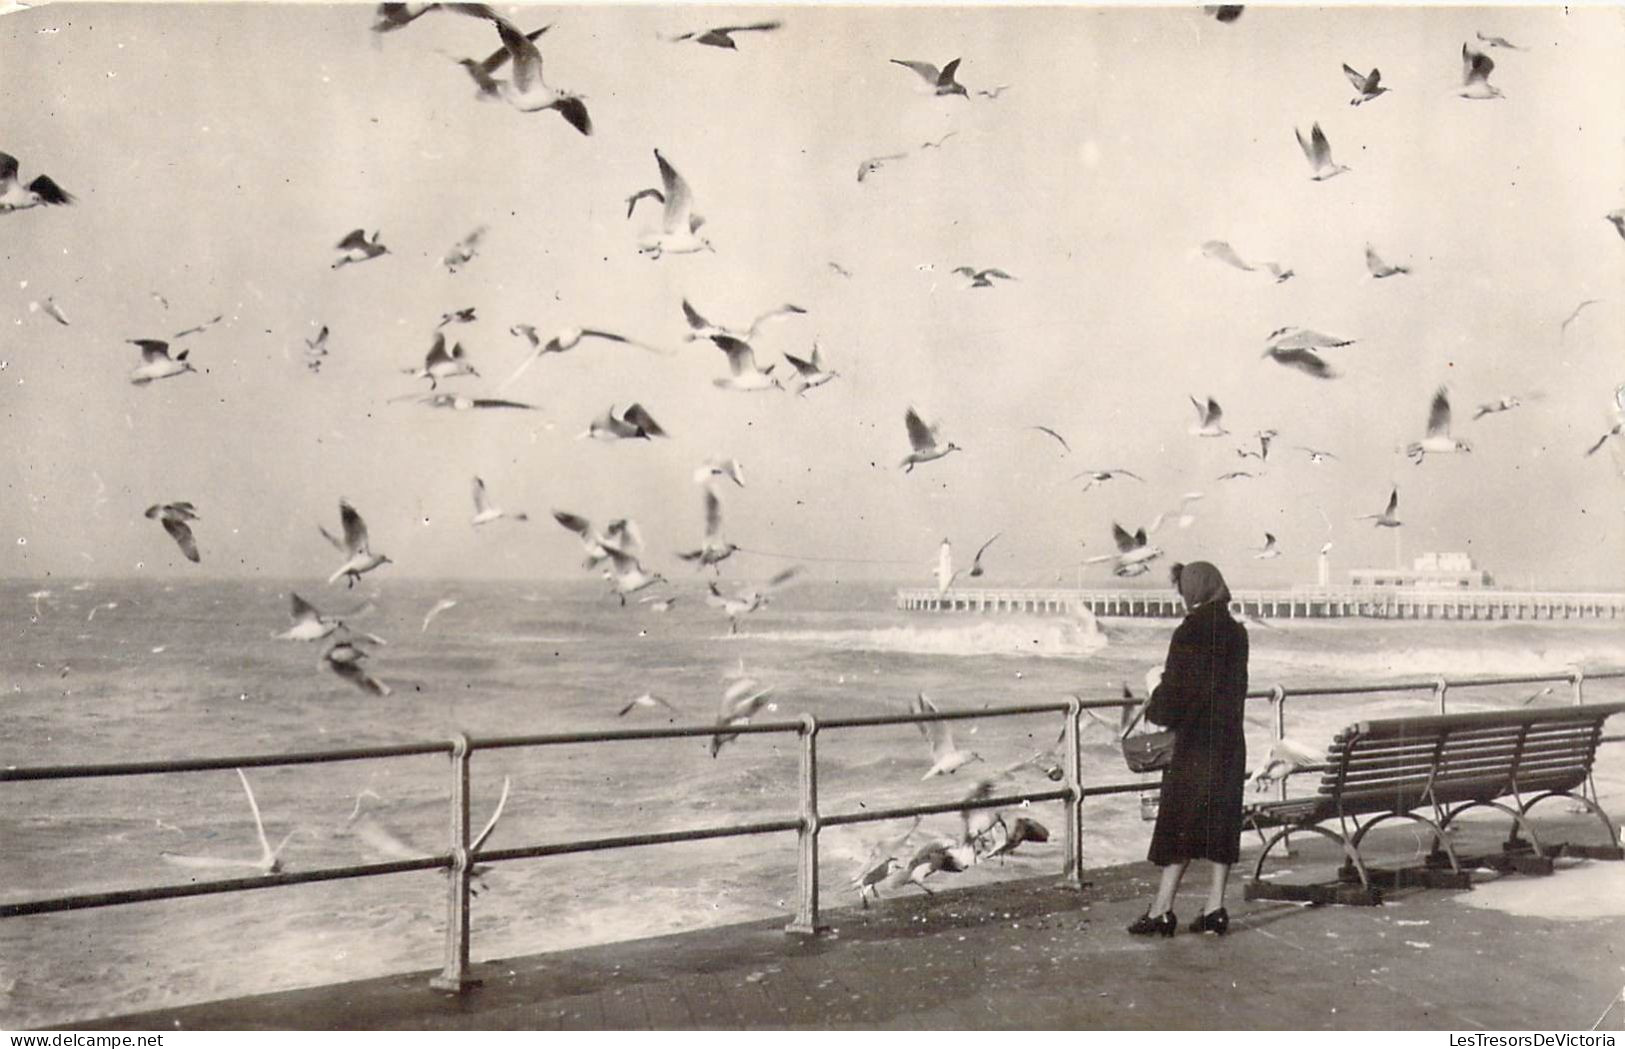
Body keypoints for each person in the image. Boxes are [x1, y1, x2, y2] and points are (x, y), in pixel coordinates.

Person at [1127, 561, 1249, 937]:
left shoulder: (1188, 632)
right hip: (1229, 742)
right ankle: (1215, 908)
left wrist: (1154, 691)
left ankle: (1162, 910)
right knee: (1220, 825)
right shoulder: (1237, 633)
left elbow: (1171, 702)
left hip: (1195, 745)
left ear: (1193, 591)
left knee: (1178, 827)